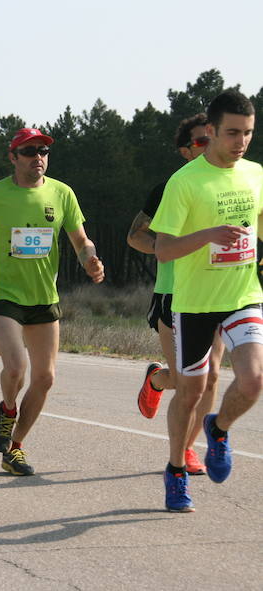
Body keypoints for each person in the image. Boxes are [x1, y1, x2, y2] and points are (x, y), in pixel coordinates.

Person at [0, 128, 104, 476]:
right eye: (30, 151)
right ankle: (7, 410)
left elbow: (81, 240)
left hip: (44, 299)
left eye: (44, 151)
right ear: (13, 157)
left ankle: (14, 448)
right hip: (5, 296)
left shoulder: (62, 193)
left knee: (46, 378)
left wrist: (91, 260)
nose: (39, 157)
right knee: (16, 367)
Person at [151, 90, 263, 512]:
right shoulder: (185, 182)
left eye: (248, 133)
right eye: (233, 133)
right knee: (191, 391)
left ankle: (219, 429)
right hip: (195, 303)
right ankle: (176, 470)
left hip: (243, 296)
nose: (241, 142)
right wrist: (208, 236)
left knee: (253, 381)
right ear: (211, 131)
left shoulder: (255, 175)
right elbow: (162, 249)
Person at [127, 113, 224, 475]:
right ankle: (156, 379)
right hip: (174, 292)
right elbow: (135, 235)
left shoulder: (230, 186)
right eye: (199, 142)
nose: (207, 146)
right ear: (185, 151)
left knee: (211, 375)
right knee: (186, 381)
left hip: (218, 291)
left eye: (210, 138)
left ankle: (185, 450)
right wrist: (170, 247)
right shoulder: (170, 188)